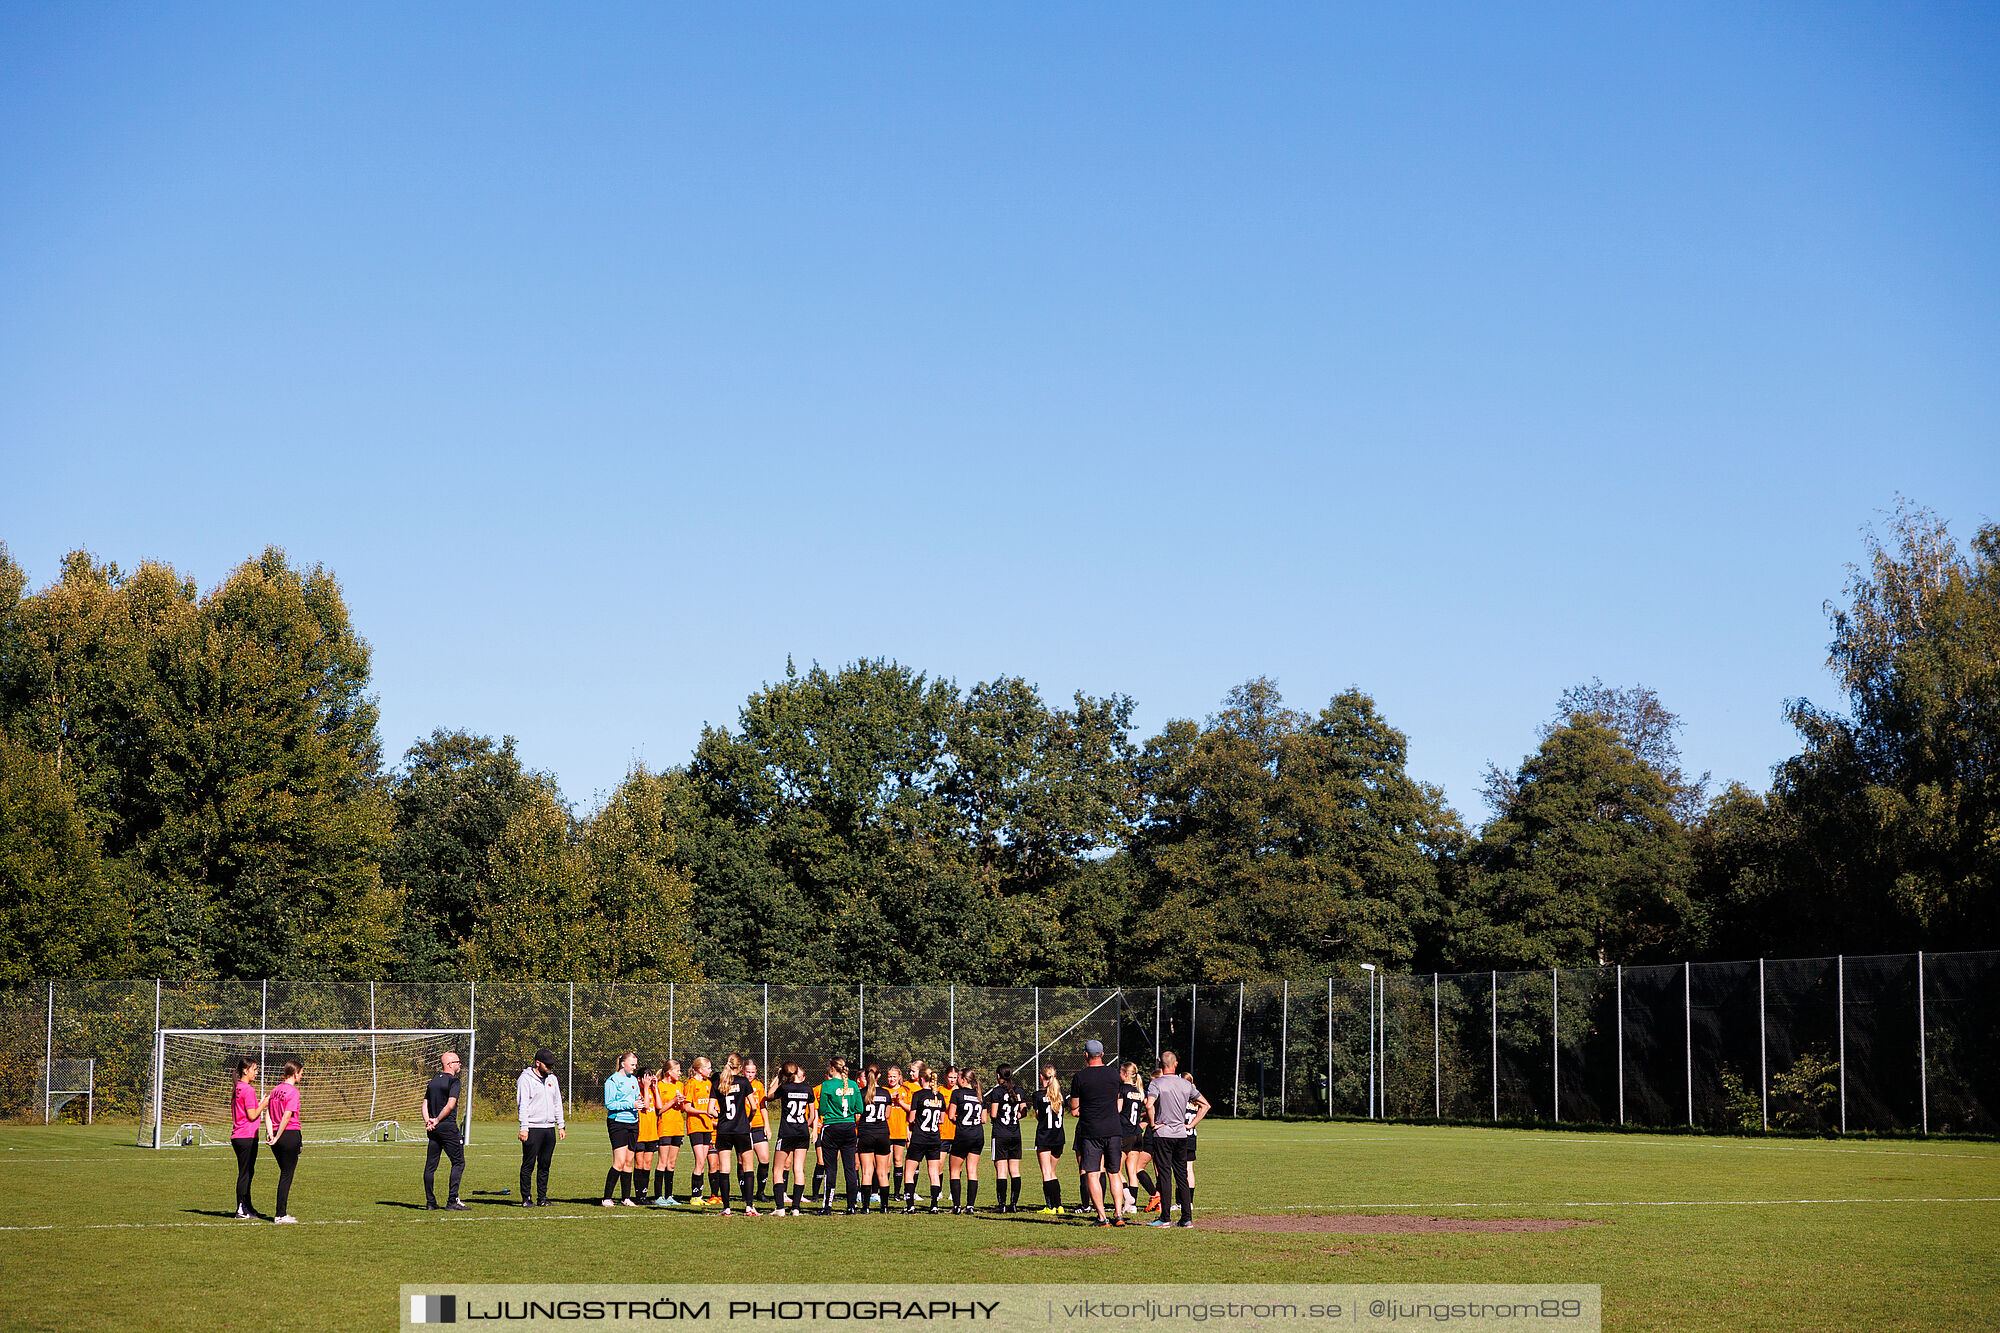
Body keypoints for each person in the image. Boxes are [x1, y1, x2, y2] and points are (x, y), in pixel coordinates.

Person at [1145, 1049, 1209, 1228]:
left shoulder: (1156, 1083)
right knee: (1182, 1175)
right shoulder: (1185, 1084)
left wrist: (1152, 1124)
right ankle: (1186, 1218)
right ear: (1176, 1065)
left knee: (1165, 1175)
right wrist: (1191, 1124)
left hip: (1163, 1134)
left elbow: (1149, 1104)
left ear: (1160, 1065)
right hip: (1181, 1135)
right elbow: (1205, 1105)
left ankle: (1165, 1218)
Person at [1067, 1038, 1126, 1227]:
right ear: (1102, 1054)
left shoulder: (1080, 1077)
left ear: (1086, 1055)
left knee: (1092, 1173)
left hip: (1091, 1131)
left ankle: (1102, 1217)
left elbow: (1074, 1106)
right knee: (1114, 1172)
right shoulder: (1114, 1074)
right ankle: (1118, 1215)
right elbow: (1118, 1103)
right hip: (1114, 1129)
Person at [516, 1048, 565, 1207]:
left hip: (549, 1128)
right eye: (547, 1064)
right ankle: (526, 1198)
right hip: (532, 1127)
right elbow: (522, 1104)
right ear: (538, 1063)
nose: (550, 1068)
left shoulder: (553, 1079)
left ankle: (542, 1198)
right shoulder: (525, 1079)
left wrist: (561, 1125)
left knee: (545, 1164)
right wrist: (524, 1127)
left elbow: (557, 1103)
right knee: (528, 1164)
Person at [712, 1053, 758, 1216]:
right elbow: (753, 1106)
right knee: (748, 1167)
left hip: (724, 1130)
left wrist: (719, 1116)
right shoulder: (744, 1082)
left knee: (724, 1168)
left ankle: (726, 1207)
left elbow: (711, 1110)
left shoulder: (718, 1082)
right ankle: (749, 1206)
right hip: (741, 1129)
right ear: (739, 1067)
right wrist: (748, 1119)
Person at [815, 1056, 861, 1215]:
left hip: (831, 1128)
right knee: (850, 1169)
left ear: (832, 1068)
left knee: (831, 1169)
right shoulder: (853, 1085)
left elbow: (821, 1111)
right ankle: (851, 1206)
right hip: (848, 1128)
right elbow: (859, 1108)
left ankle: (827, 1206)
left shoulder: (826, 1085)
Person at [423, 1051, 468, 1211]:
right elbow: (450, 1105)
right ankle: (452, 1201)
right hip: (447, 1126)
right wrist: (437, 1120)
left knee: (430, 1166)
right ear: (450, 1064)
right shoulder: (454, 1081)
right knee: (458, 1162)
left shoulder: (433, 1081)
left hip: (433, 1129)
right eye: (457, 1062)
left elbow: (424, 1104)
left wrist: (429, 1121)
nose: (459, 1064)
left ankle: (430, 1202)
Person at [900, 1066, 946, 1214]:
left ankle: (910, 1205)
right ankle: (934, 1206)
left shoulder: (918, 1095)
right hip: (934, 1138)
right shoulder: (939, 1096)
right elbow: (942, 1120)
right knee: (933, 1172)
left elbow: (912, 1118)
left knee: (909, 1172)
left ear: (921, 1078)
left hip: (919, 1138)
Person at [772, 1061, 814, 1215]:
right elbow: (812, 1115)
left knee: (777, 1169)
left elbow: (769, 1096)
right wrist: (803, 1125)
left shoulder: (784, 1088)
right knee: (798, 1168)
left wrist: (777, 1078)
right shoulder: (808, 1089)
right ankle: (796, 1208)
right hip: (802, 1132)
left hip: (786, 1132)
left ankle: (780, 1208)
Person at [264, 1060, 303, 1224]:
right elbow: (287, 1116)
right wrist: (278, 1135)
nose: (302, 1076)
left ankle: (281, 1213)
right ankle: (280, 1214)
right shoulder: (293, 1092)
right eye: (301, 1073)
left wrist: (271, 1134)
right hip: (288, 1134)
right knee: (287, 1175)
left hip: (277, 1136)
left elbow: (267, 1114)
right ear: (295, 1074)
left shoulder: (275, 1090)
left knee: (285, 1173)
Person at [231, 1058, 268, 1220]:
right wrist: (263, 1104)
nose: (256, 1072)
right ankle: (241, 1208)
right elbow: (252, 1115)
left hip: (241, 1135)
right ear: (245, 1070)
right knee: (245, 1173)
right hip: (246, 1135)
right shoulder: (247, 1089)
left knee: (247, 1172)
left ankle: (248, 1207)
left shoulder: (238, 1087)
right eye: (254, 1069)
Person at [984, 1067, 1025, 1213]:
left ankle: (1001, 1205)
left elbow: (994, 1114)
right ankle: (1013, 1204)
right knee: (1015, 1171)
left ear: (998, 1075)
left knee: (1001, 1171)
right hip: (1015, 1133)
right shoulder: (1018, 1090)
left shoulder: (997, 1091)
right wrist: (1015, 1118)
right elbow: (1023, 1111)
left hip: (1000, 1133)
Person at [602, 1051, 641, 1206]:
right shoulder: (612, 1080)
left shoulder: (633, 1080)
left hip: (633, 1122)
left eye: (635, 1064)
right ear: (623, 1064)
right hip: (618, 1123)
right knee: (619, 1161)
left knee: (628, 1162)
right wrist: (631, 1104)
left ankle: (626, 1197)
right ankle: (607, 1198)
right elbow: (610, 1104)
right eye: (632, 1064)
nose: (634, 1067)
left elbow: (636, 1098)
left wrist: (640, 1102)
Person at [946, 1067, 985, 1214]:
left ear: (963, 1079)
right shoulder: (979, 1095)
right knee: (972, 1171)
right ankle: (970, 1207)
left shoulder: (957, 1093)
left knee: (955, 1170)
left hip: (963, 1134)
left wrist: (961, 1121)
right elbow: (984, 1119)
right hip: (978, 1135)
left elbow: (950, 1115)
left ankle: (956, 1206)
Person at [1030, 1064, 1067, 1214]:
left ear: (1042, 1077)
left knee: (1046, 1172)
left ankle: (1050, 1206)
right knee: (1052, 1172)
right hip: (1059, 1137)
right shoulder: (1060, 1094)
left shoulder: (1038, 1095)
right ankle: (1059, 1205)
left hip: (1045, 1136)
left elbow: (1039, 1116)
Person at [856, 1063, 893, 1212]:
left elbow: (857, 1116)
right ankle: (884, 1207)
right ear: (879, 1076)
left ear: (866, 1075)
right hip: (883, 1133)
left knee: (866, 1171)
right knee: (883, 1172)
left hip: (866, 1133)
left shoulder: (861, 1093)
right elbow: (887, 1115)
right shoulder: (885, 1093)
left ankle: (866, 1207)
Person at [1117, 1061, 1151, 1215]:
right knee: (1132, 1171)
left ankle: (1127, 1196)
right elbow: (1149, 1107)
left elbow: (1117, 1110)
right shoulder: (1139, 1091)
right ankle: (1133, 1206)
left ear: (1124, 1073)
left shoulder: (1122, 1089)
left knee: (1115, 1169)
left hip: (1125, 1133)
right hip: (1137, 1134)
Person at [682, 1055, 716, 1205]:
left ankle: (699, 1197)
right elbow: (687, 1107)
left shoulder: (708, 1083)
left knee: (703, 1162)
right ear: (700, 1069)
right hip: (695, 1126)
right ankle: (695, 1196)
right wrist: (703, 1113)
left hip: (707, 1127)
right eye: (708, 1068)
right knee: (700, 1161)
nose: (710, 1070)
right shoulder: (691, 1084)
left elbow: (711, 1105)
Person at [654, 1059, 685, 1205]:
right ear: (669, 1072)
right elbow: (659, 1109)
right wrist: (673, 1101)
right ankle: (658, 1196)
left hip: (677, 1127)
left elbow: (683, 1108)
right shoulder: (659, 1086)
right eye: (677, 1070)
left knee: (671, 1164)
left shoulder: (679, 1085)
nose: (680, 1073)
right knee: (662, 1162)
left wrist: (680, 1102)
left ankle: (669, 1196)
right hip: (665, 1127)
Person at [744, 1059, 773, 1203]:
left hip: (758, 1126)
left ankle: (760, 1192)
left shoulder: (759, 1086)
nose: (750, 1075)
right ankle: (745, 1193)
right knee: (743, 1160)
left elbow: (762, 1106)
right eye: (747, 1072)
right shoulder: (739, 1084)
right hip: (743, 1127)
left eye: (752, 1072)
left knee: (764, 1159)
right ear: (743, 1071)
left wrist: (767, 1125)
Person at [634, 1066, 660, 1205]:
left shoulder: (651, 1090)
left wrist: (655, 1088)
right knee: (639, 1163)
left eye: (651, 1076)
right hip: (640, 1133)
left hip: (652, 1133)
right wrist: (645, 1087)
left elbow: (659, 1106)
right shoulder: (637, 1090)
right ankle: (638, 1195)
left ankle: (644, 1194)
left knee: (648, 1163)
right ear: (640, 1079)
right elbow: (645, 1105)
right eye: (647, 1076)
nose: (649, 1079)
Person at [885, 1064, 910, 1184]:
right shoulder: (884, 1091)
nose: (892, 1079)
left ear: (899, 1076)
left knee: (898, 1160)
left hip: (900, 1130)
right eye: (890, 1076)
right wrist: (890, 1098)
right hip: (887, 1131)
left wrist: (900, 1101)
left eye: (894, 1076)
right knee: (886, 1163)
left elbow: (911, 1109)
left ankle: (897, 1193)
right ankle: (883, 1190)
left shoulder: (905, 1091)